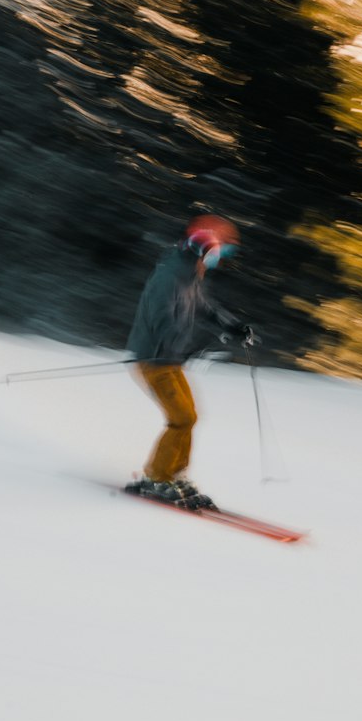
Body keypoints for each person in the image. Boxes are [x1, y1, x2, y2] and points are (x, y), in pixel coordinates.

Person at [125, 214, 255, 510]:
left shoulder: (189, 275)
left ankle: (174, 475)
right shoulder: (169, 276)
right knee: (181, 417)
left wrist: (233, 326)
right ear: (200, 251)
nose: (217, 259)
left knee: (189, 416)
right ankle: (156, 478)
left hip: (169, 359)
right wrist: (183, 346)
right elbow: (161, 319)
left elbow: (205, 307)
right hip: (153, 358)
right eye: (216, 253)